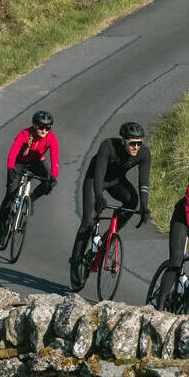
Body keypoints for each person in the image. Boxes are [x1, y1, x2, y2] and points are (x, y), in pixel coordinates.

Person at [71, 119, 151, 288]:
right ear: (123, 141)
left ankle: (107, 239)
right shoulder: (108, 146)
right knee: (88, 221)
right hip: (95, 180)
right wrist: (99, 196)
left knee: (132, 201)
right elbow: (99, 173)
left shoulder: (144, 153)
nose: (136, 147)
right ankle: (75, 261)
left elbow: (144, 181)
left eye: (139, 143)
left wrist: (144, 206)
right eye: (133, 143)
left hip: (115, 181)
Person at [0, 109, 59, 248]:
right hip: (19, 163)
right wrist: (11, 169)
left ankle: (31, 200)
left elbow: (55, 158)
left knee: (49, 181)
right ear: (34, 126)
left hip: (36, 163)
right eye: (41, 127)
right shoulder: (24, 134)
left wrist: (53, 176)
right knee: (10, 196)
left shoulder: (51, 138)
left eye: (48, 128)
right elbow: (12, 153)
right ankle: (0, 231)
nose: (44, 131)